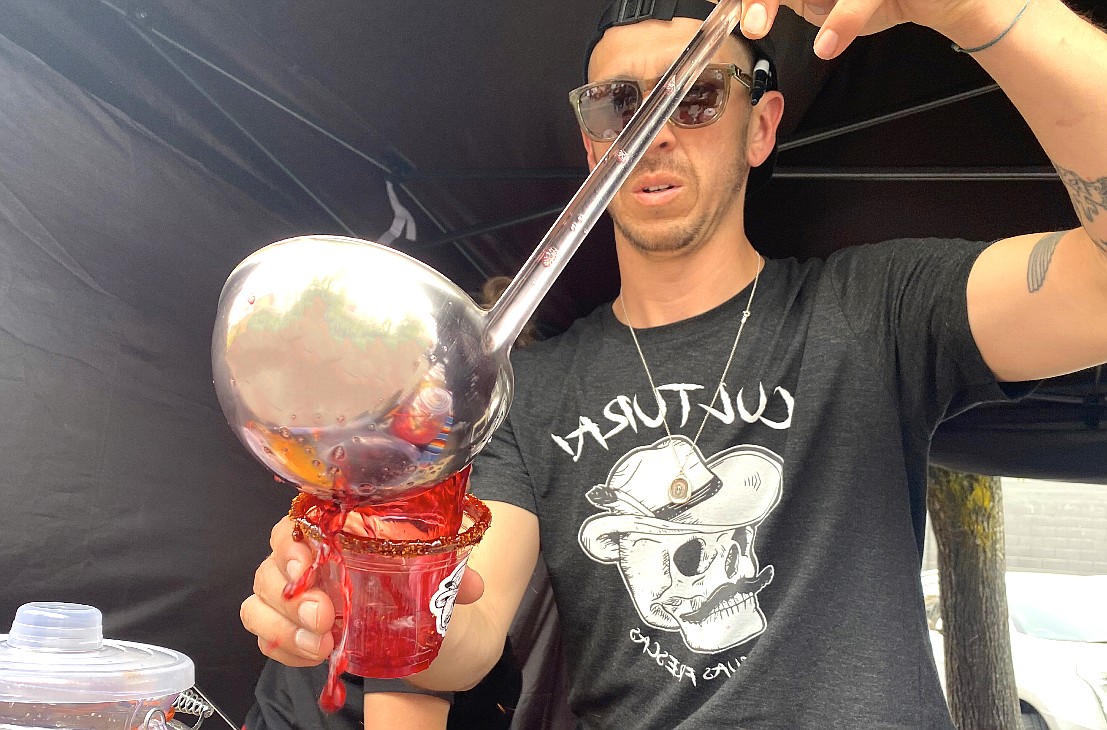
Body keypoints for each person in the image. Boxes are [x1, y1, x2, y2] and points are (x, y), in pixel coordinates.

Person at [240, 0, 1107, 725]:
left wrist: (980, 8)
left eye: (693, 100)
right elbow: (464, 642)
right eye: (619, 105)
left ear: (759, 126)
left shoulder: (874, 309)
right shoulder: (523, 391)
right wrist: (372, 591)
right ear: (590, 141)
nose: (648, 134)